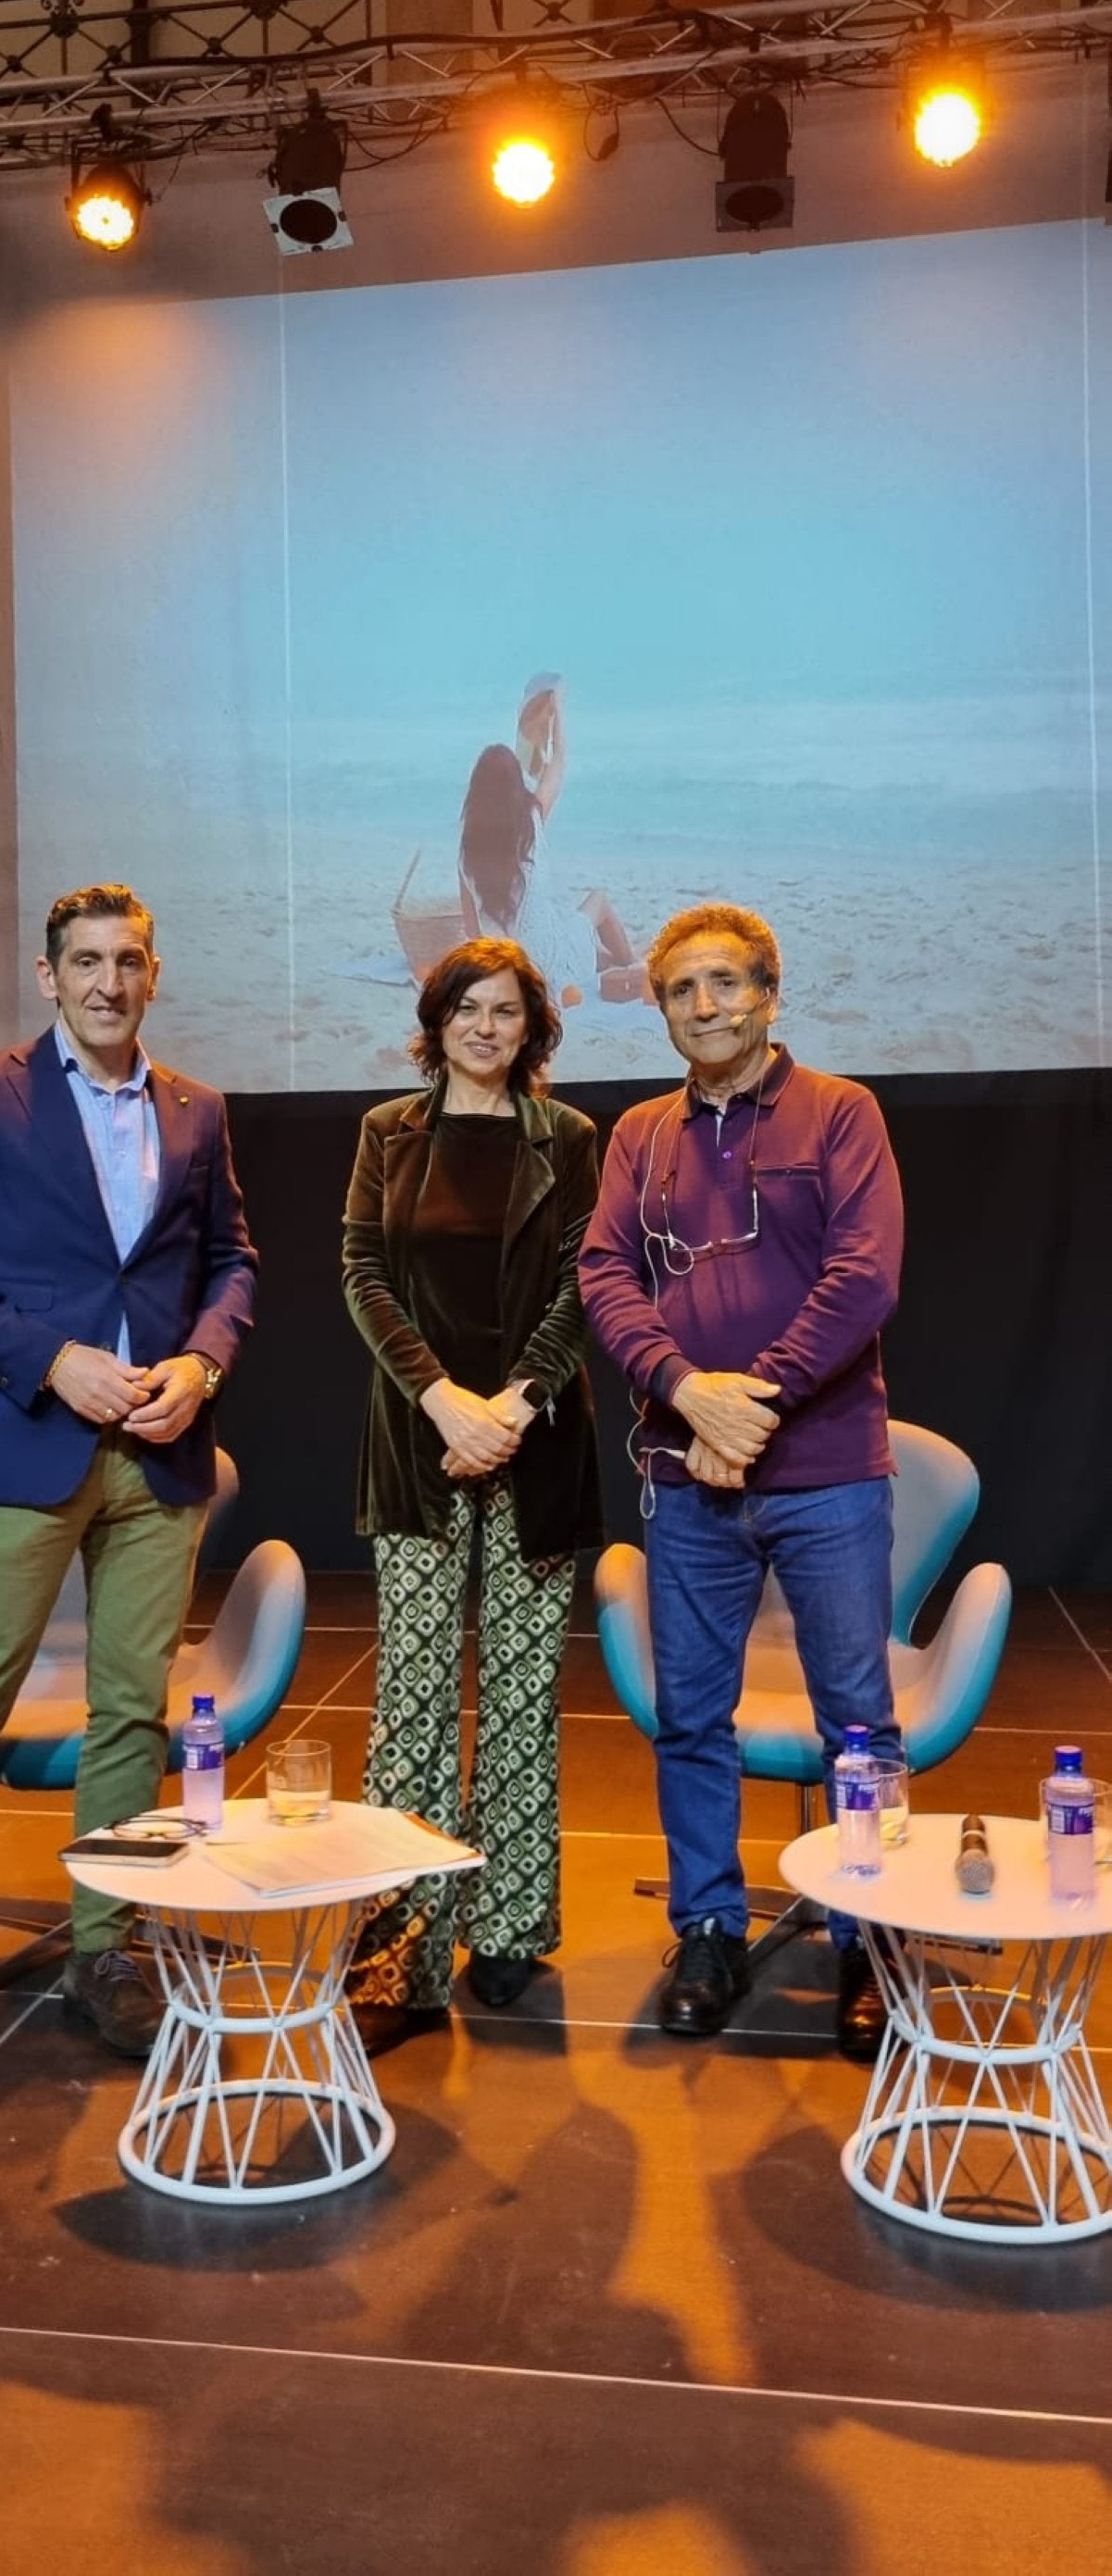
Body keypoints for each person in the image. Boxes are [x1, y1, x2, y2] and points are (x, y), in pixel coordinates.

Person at [0, 882, 257, 2113]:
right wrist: (48, 1358)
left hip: (159, 1457)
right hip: (29, 1447)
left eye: (127, 960)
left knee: (132, 1715)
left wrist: (200, 1362)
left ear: (153, 972)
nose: (106, 981)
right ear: (49, 977)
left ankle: (104, 1954)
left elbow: (234, 1261)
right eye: (83, 961)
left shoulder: (198, 1108)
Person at [578, 901, 904, 2061]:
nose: (703, 1007)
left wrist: (742, 1403)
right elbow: (604, 1274)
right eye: (679, 991)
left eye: (723, 985)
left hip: (823, 1476)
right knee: (690, 1720)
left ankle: (874, 1944)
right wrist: (681, 1389)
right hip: (687, 1476)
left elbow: (861, 1280)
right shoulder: (637, 1138)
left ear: (769, 992)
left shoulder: (840, 1113)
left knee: (855, 1725)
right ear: (657, 1007)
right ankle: (707, 1928)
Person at [342, 937, 601, 2049]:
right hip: (418, 1444)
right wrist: (443, 1402)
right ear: (435, 1020)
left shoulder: (570, 1138)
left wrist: (512, 1405)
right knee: (408, 1699)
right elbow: (361, 1273)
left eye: (506, 1012)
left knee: (517, 1702)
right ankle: (400, 1939)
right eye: (467, 1009)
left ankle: (503, 1924)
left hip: (533, 1449)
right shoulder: (384, 1134)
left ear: (532, 1028)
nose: (486, 1029)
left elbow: (586, 1281)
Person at [458, 707, 651, 1005]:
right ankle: (631, 965)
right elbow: (559, 760)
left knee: (570, 931)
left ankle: (614, 961)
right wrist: (557, 711)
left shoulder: (467, 855)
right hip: (549, 966)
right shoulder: (529, 826)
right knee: (597, 901)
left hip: (514, 973)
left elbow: (473, 933)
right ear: (515, 787)